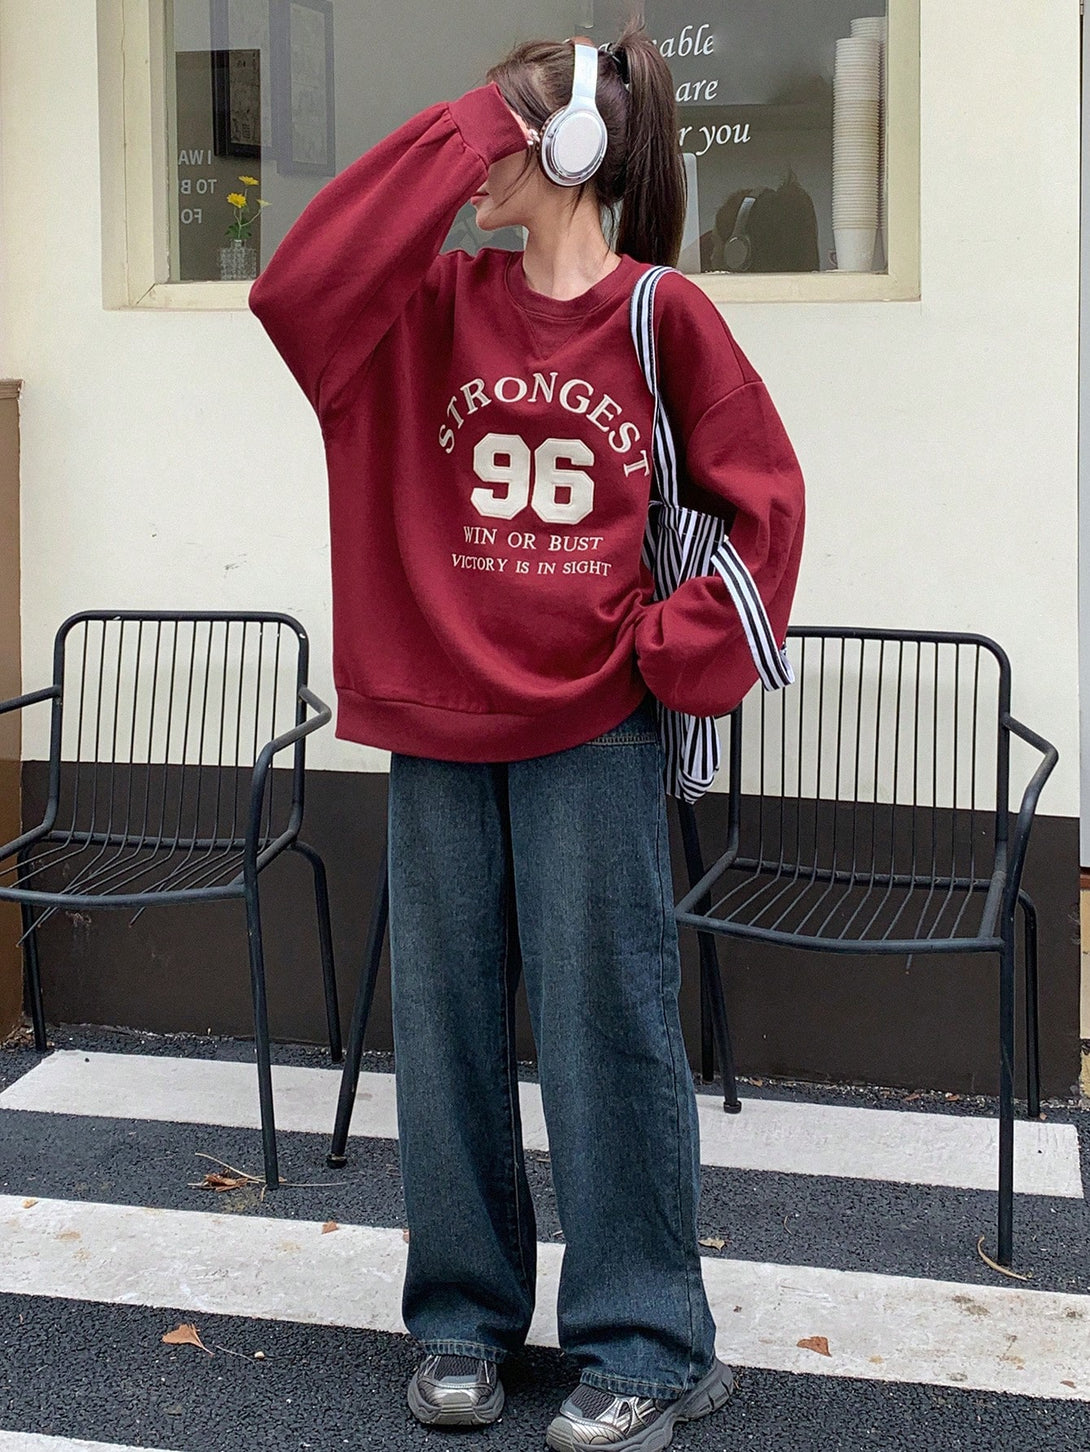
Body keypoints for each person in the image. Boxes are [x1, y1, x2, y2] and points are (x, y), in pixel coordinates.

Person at [250, 17, 804, 1451]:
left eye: (501, 136)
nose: (474, 164)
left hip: (593, 738)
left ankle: (645, 1341)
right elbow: (295, 285)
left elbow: (764, 504)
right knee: (439, 1033)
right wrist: (467, 126)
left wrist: (665, 655)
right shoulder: (419, 308)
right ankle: (460, 1321)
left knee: (605, 1034)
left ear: (567, 151)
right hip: (437, 728)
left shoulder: (656, 314)